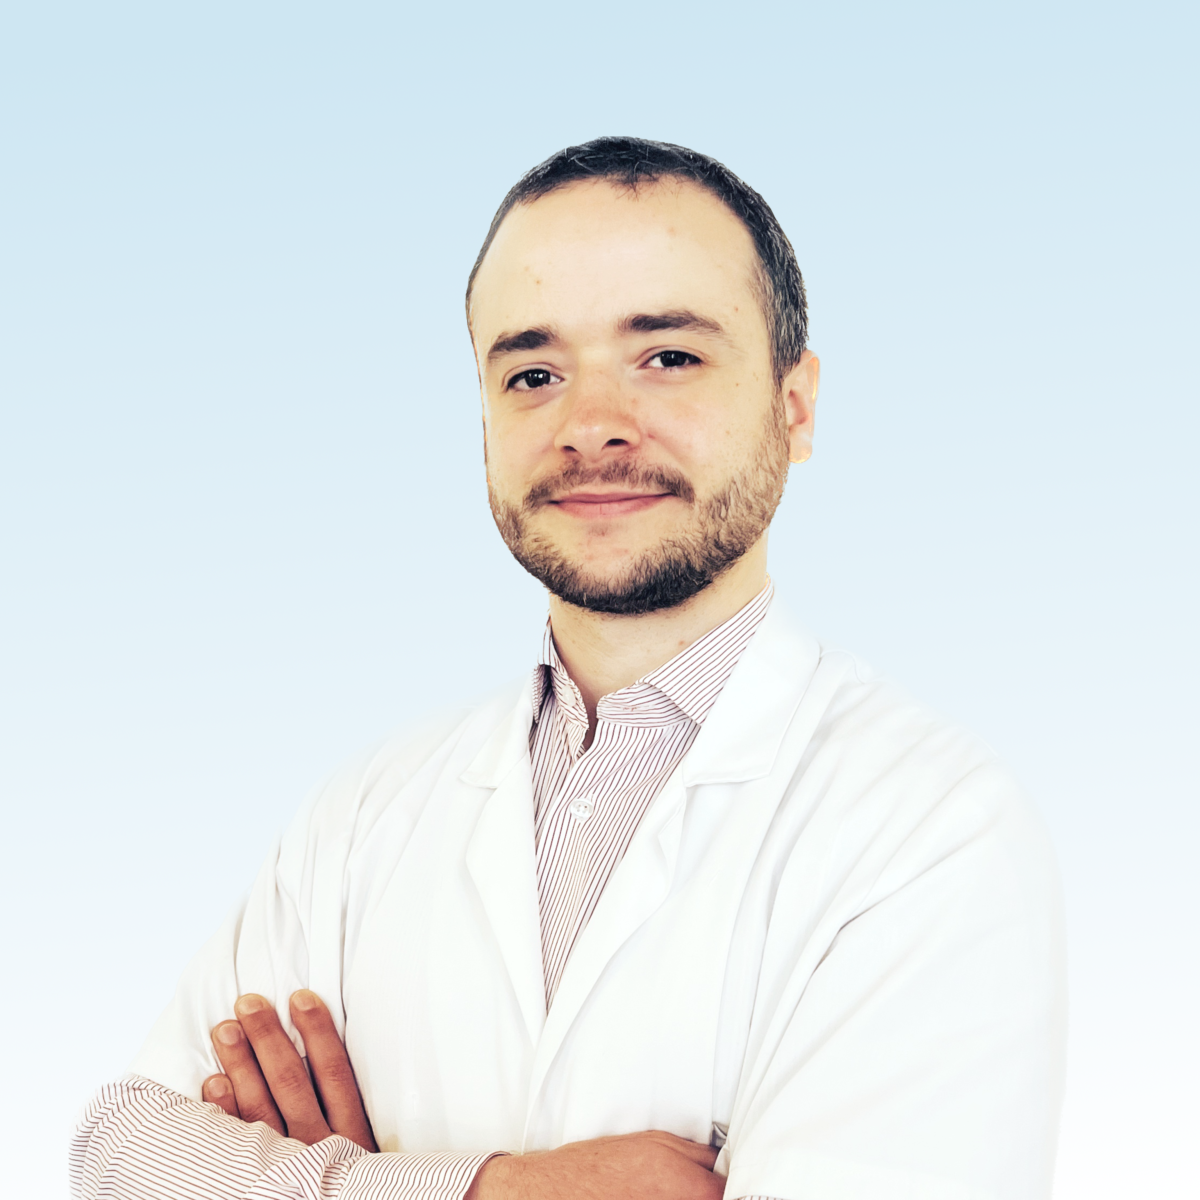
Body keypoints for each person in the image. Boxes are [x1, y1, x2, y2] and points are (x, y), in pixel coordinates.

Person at [71, 137, 1066, 1200]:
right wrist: (489, 1189)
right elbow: (119, 1155)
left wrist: (315, 1180)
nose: (591, 427)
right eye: (534, 374)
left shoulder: (929, 830)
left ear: (796, 406)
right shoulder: (365, 815)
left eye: (668, 357)